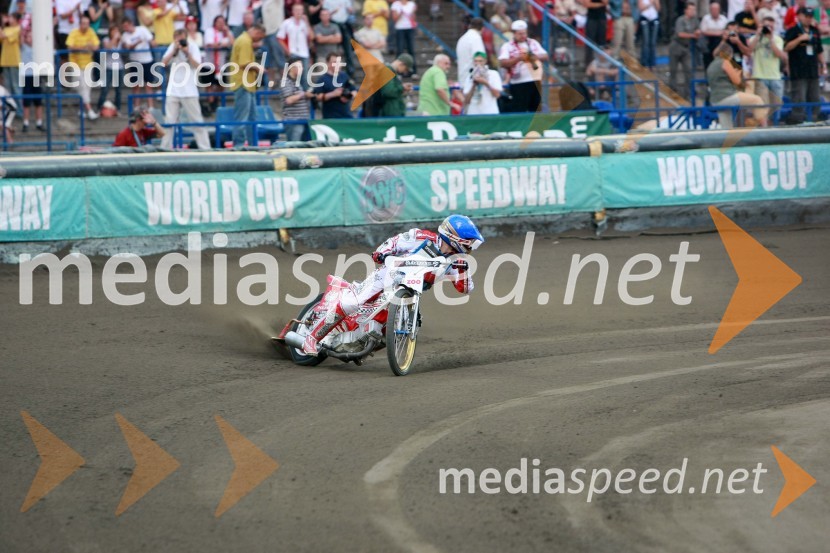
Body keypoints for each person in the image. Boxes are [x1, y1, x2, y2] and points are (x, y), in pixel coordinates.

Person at [299, 214, 484, 356]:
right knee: (351, 303)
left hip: (409, 295)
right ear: (455, 239)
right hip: (385, 276)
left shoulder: (455, 263)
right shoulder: (422, 237)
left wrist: (463, 270)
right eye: (468, 245)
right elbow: (395, 242)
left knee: (391, 330)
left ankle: (361, 345)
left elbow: (466, 289)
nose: (469, 250)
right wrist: (382, 253)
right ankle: (312, 338)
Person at [160, 28, 211, 149]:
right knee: (169, 122)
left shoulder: (193, 46)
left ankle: (205, 148)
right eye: (176, 38)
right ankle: (164, 148)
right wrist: (174, 50)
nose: (179, 40)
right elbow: (163, 63)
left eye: (181, 38)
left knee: (197, 121)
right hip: (173, 90)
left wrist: (187, 53)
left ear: (186, 37)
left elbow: (198, 66)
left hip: (189, 90)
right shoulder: (172, 47)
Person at [706, 42, 768, 128]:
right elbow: (737, 81)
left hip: (715, 100)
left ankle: (725, 136)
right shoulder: (725, 62)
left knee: (726, 125)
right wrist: (737, 73)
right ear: (729, 54)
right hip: (727, 96)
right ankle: (764, 127)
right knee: (757, 100)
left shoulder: (711, 65)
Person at [784, 6, 826, 122]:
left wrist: (823, 64)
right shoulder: (793, 31)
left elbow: (819, 50)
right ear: (799, 16)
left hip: (812, 70)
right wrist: (799, 39)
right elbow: (786, 47)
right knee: (799, 98)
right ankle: (798, 120)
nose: (808, 19)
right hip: (798, 70)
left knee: (815, 97)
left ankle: (816, 119)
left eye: (810, 17)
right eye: (806, 16)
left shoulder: (815, 30)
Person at [498, 19, 548, 112]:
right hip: (519, 83)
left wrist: (535, 57)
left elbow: (545, 55)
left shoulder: (532, 43)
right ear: (514, 33)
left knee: (536, 109)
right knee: (519, 109)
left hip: (535, 81)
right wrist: (518, 58)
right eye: (520, 34)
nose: (523, 36)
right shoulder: (508, 46)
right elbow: (502, 62)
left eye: (524, 33)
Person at [230, 23, 266, 145]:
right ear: (256, 32)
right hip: (243, 83)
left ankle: (252, 143)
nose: (259, 40)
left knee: (252, 117)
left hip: (247, 84)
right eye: (260, 37)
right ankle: (239, 145)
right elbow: (244, 63)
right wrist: (258, 67)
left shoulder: (243, 39)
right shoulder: (245, 42)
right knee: (242, 117)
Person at [750, 15, 786, 124]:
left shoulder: (778, 39)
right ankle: (765, 129)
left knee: (776, 106)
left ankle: (775, 126)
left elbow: (779, 54)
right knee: (762, 106)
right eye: (766, 25)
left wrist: (771, 39)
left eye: (771, 25)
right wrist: (758, 34)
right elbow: (749, 49)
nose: (768, 28)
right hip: (760, 75)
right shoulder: (754, 38)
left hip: (775, 76)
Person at [66, 15, 101, 120]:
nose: (86, 26)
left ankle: (82, 110)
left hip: (88, 63)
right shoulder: (74, 32)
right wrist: (84, 47)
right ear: (80, 24)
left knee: (87, 87)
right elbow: (69, 47)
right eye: (84, 23)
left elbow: (96, 46)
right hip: (75, 64)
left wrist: (89, 47)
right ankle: (90, 111)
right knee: (82, 86)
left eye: (87, 23)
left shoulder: (91, 32)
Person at [120, 18, 157, 107]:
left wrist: (153, 43)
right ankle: (136, 107)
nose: (126, 28)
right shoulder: (125, 35)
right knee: (136, 86)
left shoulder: (142, 29)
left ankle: (151, 107)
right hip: (135, 62)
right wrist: (138, 42)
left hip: (147, 60)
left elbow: (152, 41)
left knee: (149, 85)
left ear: (131, 24)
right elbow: (129, 47)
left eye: (126, 26)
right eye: (124, 27)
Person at [278, 4, 314, 87]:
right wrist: (288, 51)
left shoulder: (304, 23)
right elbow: (280, 38)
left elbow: (312, 37)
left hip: (304, 54)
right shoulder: (287, 23)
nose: (298, 12)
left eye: (300, 10)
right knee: (292, 75)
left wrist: (307, 22)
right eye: (296, 10)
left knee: (304, 76)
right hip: (293, 53)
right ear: (293, 11)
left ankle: (304, 95)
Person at [668, 2, 700, 97]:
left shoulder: (695, 20)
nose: (693, 12)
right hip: (676, 46)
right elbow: (680, 33)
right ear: (686, 10)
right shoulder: (680, 20)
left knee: (689, 70)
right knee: (673, 70)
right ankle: (672, 90)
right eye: (691, 9)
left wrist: (698, 32)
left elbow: (698, 30)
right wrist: (693, 35)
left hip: (686, 47)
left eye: (694, 10)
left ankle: (688, 92)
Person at [203, 15, 233, 112]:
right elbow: (209, 44)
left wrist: (227, 32)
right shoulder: (209, 31)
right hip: (209, 63)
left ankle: (216, 100)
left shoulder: (226, 33)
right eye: (219, 22)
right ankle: (210, 103)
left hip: (221, 64)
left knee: (222, 84)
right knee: (209, 85)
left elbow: (233, 43)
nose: (221, 24)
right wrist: (221, 44)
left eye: (223, 22)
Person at [280, 57, 314, 140]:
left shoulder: (297, 82)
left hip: (304, 120)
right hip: (293, 121)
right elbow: (289, 100)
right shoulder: (285, 81)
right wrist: (303, 94)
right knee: (294, 146)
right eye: (298, 66)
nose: (301, 69)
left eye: (301, 67)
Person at [314, 52, 354, 118]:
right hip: (331, 118)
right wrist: (333, 94)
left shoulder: (344, 76)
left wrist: (348, 96)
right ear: (328, 63)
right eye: (335, 62)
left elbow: (354, 91)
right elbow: (318, 97)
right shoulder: (322, 79)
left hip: (347, 116)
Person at [97, 25, 123, 116]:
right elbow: (108, 47)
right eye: (113, 31)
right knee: (105, 89)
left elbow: (127, 46)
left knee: (118, 90)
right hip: (108, 67)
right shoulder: (106, 39)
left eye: (117, 30)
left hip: (119, 67)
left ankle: (117, 109)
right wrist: (115, 39)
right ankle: (99, 108)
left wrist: (120, 39)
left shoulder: (121, 41)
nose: (115, 32)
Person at [391, 0, 417, 75]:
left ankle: (413, 71)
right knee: (400, 50)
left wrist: (412, 13)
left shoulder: (411, 4)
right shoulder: (395, 4)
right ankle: (396, 72)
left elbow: (414, 18)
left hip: (410, 28)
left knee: (411, 50)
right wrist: (401, 13)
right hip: (400, 29)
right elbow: (394, 18)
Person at [456, 17, 486, 83]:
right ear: (482, 28)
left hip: (462, 78)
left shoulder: (462, 39)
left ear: (470, 26)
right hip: (472, 81)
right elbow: (480, 59)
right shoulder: (476, 38)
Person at [700, 2, 728, 70]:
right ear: (710, 10)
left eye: (716, 9)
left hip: (720, 43)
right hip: (708, 43)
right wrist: (718, 33)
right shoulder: (706, 18)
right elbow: (703, 31)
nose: (714, 11)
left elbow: (726, 31)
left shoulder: (724, 19)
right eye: (713, 9)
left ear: (719, 10)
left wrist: (712, 31)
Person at [580, 0, 608, 65]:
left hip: (602, 18)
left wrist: (594, 4)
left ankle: (602, 64)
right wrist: (600, 4)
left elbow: (606, 2)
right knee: (589, 42)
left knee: (602, 43)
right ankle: (588, 64)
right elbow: (587, 4)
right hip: (591, 18)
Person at [0, 13, 21, 98]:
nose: (9, 19)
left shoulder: (18, 28)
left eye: (11, 18)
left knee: (15, 86)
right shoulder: (6, 29)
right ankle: (10, 108)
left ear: (16, 19)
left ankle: (19, 110)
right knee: (7, 86)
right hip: (5, 60)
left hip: (14, 61)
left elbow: (4, 36)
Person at [638, 0, 660, 69]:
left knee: (653, 43)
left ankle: (652, 63)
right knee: (646, 42)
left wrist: (655, 2)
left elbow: (658, 9)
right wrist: (650, 3)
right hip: (645, 19)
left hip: (654, 19)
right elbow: (640, 8)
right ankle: (645, 63)